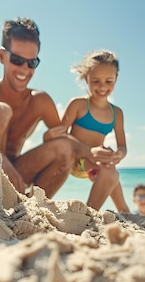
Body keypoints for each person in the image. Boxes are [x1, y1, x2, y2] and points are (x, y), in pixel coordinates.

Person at [0, 18, 91, 197]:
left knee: (65, 148)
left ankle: (32, 208)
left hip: (16, 176)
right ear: (2, 56)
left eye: (32, 63)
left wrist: (95, 155)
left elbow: (64, 139)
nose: (24, 69)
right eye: (17, 60)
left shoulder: (40, 101)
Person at [45, 50, 129, 212]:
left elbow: (123, 146)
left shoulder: (116, 113)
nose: (102, 86)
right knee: (108, 170)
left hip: (96, 163)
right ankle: (90, 213)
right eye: (95, 81)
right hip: (75, 160)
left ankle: (123, 210)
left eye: (108, 81)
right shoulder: (79, 105)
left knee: (111, 172)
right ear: (86, 78)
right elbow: (61, 135)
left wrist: (119, 154)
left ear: (116, 79)